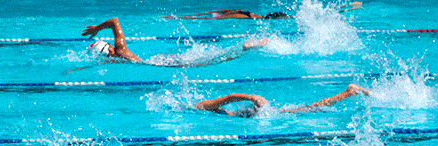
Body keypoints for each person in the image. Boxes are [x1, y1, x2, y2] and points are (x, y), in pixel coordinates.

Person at [82, 16, 267, 63]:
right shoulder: (118, 52)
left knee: (212, 60)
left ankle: (244, 49)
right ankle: (243, 48)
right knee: (207, 58)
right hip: (161, 60)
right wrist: (97, 29)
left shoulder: (120, 51)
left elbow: (115, 21)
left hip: (163, 63)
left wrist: (97, 29)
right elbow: (114, 22)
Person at [195, 83, 369, 117]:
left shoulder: (202, 108)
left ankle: (347, 93)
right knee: (306, 109)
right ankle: (347, 93)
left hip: (253, 113)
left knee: (306, 109)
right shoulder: (210, 110)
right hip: (251, 115)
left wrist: (252, 98)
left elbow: (230, 97)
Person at [163, 9, 292, 19]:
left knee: (204, 15)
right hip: (235, 15)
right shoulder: (252, 18)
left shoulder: (252, 14)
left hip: (237, 11)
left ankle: (178, 17)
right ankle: (178, 18)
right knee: (208, 18)